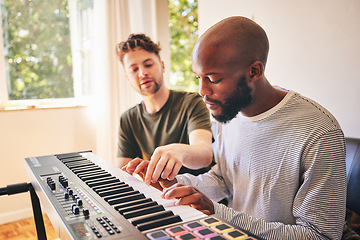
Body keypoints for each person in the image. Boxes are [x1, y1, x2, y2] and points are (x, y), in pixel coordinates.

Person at [122, 17, 346, 240]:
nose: (202, 90)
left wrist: (216, 211)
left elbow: (319, 236)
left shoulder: (319, 132)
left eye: (213, 79)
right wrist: (173, 184)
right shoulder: (226, 113)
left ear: (254, 71)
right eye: (199, 77)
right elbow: (223, 179)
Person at [115, 33, 213, 181]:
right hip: (158, 197)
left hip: (198, 196)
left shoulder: (191, 102)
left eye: (148, 65)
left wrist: (180, 151)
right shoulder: (128, 119)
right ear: (128, 78)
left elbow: (204, 154)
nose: (142, 73)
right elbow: (122, 174)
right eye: (134, 70)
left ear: (162, 66)